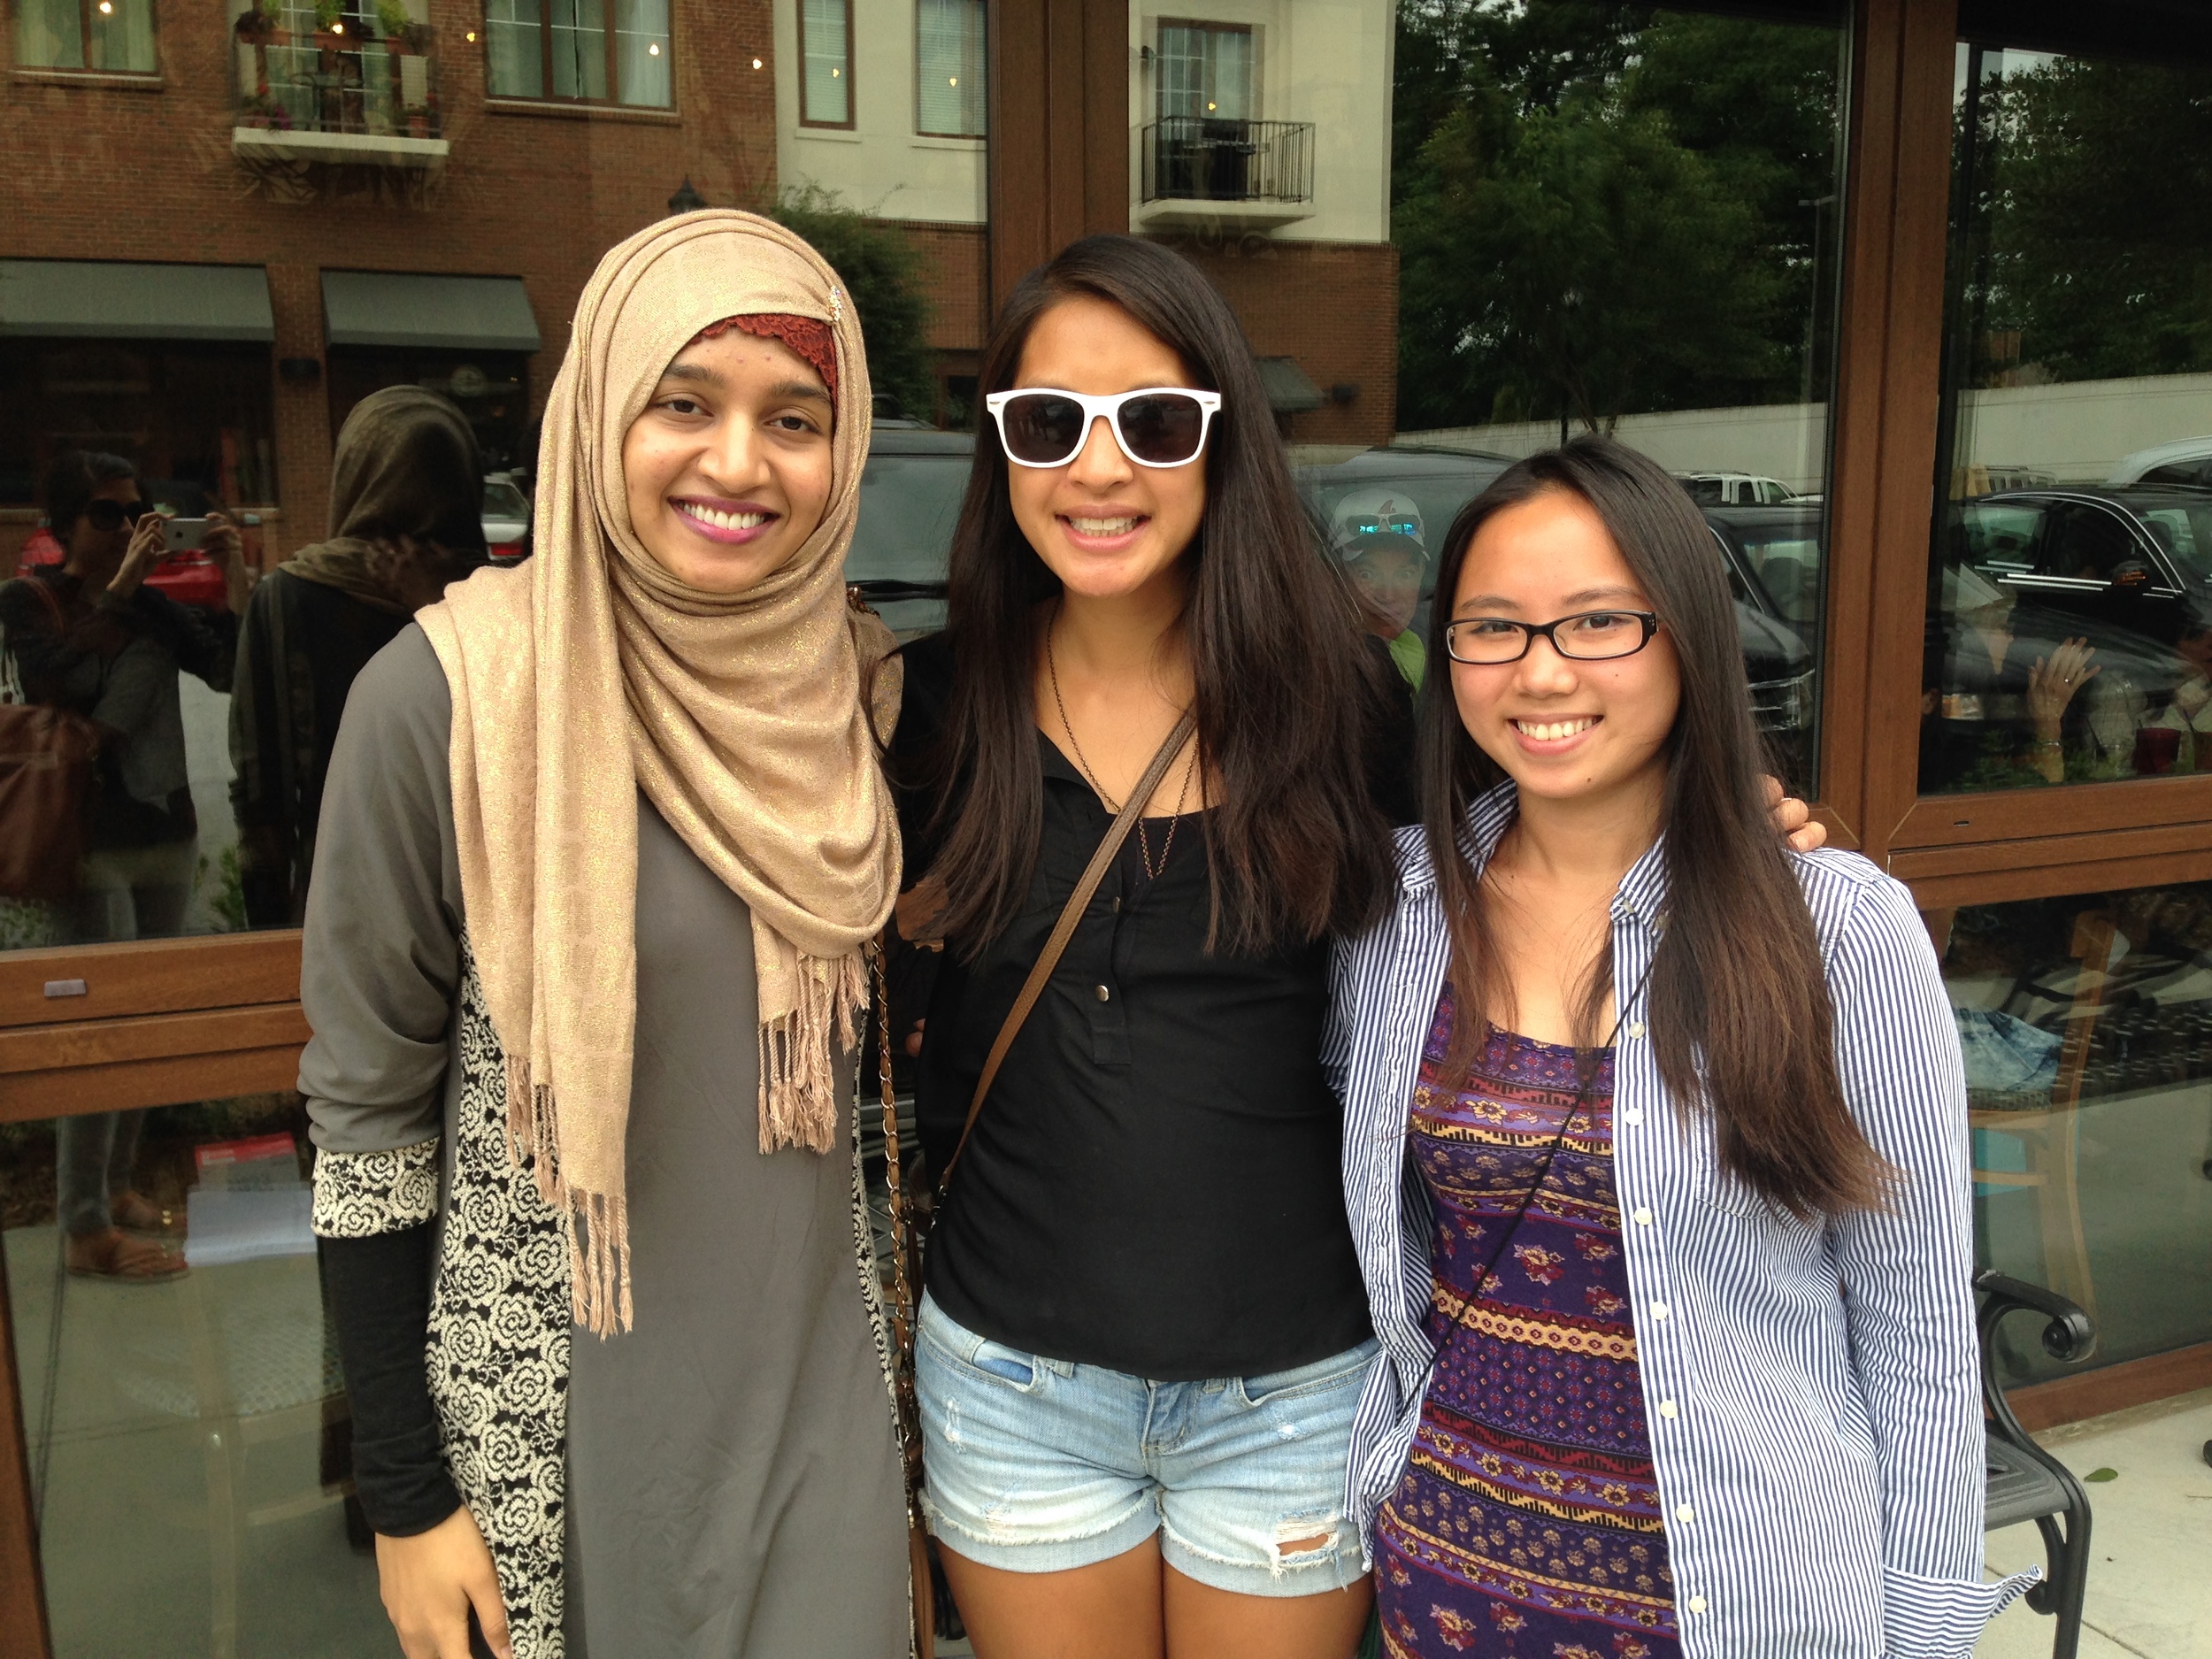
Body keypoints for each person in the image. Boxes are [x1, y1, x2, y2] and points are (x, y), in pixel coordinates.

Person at [889, 241, 1824, 1659]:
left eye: (1152, 420)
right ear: (1001, 449)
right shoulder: (932, 707)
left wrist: (1719, 825)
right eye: (1045, 421)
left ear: (1221, 440)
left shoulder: (1336, 695)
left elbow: (1535, 822)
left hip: (1296, 1391)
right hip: (1015, 1383)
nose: (1098, 469)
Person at [300, 211, 909, 1659]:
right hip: (550, 1433)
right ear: (595, 415)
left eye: (795, 418)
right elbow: (365, 1126)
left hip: (817, 1406)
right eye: (682, 403)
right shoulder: (445, 699)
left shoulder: (861, 697)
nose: (739, 463)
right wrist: (403, 1492)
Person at [1327, 437, 2036, 1658]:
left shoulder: (1834, 930)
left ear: (1688, 638)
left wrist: (1925, 1626)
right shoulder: (1397, 912)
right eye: (1492, 627)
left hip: (1736, 1600)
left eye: (1598, 621)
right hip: (1445, 1579)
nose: (1541, 672)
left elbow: (1917, 1321)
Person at [0, 449, 247, 1280]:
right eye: (106, 514)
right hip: (86, 844)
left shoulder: (154, 610)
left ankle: (114, 1188)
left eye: (136, 511)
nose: (125, 526)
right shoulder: (29, 602)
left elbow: (228, 670)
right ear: (63, 527)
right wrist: (117, 588)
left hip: (161, 835)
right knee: (95, 1036)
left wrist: (233, 574)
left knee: (144, 1028)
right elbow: (58, 682)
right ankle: (82, 1229)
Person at [230, 386, 488, 926]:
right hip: (445, 894)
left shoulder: (499, 599)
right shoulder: (499, 593)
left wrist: (435, 607)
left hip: (371, 892)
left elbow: (261, 787)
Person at [1330, 489, 1429, 688]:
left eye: (1405, 574)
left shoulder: (1414, 646)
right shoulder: (1322, 667)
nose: (1388, 595)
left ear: (1421, 573)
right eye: (1366, 574)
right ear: (1335, 578)